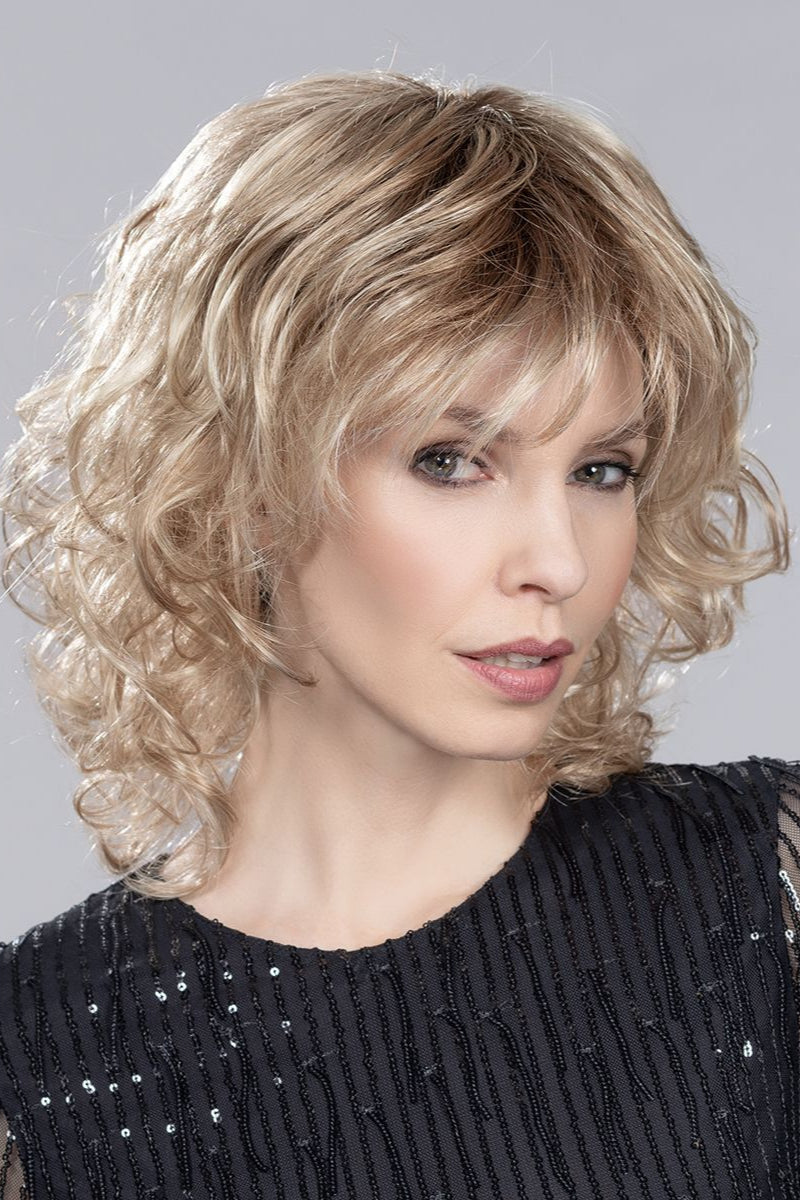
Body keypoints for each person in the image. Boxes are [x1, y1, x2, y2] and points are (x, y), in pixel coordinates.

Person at [0, 67, 797, 1198]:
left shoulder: (764, 889)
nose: (560, 562)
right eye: (450, 461)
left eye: (601, 470)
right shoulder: (41, 1066)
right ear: (246, 479)